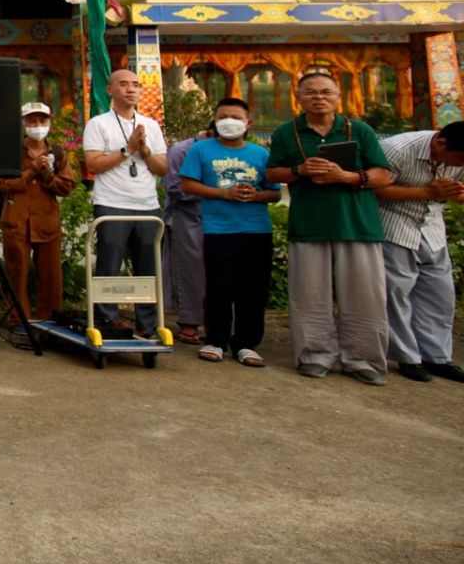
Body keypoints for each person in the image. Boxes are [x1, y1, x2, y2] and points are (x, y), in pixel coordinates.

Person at [267, 68, 395, 384]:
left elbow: (383, 174)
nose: (318, 98)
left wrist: (348, 177)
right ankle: (314, 355)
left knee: (365, 295)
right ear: (299, 97)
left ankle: (363, 359)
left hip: (357, 224)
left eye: (326, 92)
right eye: (311, 92)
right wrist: (300, 169)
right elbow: (272, 174)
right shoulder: (287, 132)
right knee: (309, 294)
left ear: (338, 97)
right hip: (310, 223)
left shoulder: (359, 130)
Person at [176, 98, 281, 367]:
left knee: (253, 288)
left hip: (256, 229)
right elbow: (187, 185)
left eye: (235, 116)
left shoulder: (260, 154)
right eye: (222, 116)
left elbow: (274, 193)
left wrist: (255, 196)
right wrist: (224, 193)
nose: (228, 121)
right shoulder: (201, 150)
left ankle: (247, 343)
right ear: (214, 120)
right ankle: (216, 339)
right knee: (218, 285)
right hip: (218, 228)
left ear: (248, 123)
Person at [81, 68, 169, 339]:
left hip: (147, 205)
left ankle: (148, 325)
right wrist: (127, 149)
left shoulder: (150, 125)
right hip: (112, 204)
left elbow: (162, 168)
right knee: (110, 264)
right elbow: (93, 164)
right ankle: (107, 320)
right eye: (124, 85)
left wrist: (144, 150)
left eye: (136, 85)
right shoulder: (99, 123)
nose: (131, 89)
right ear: (110, 90)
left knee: (148, 267)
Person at [374, 123, 464, 383]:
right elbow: (375, 188)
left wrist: (458, 194)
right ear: (441, 144)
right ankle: (407, 357)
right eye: (460, 159)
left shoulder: (458, 155)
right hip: (394, 226)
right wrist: (427, 192)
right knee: (396, 293)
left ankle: (436, 357)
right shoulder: (397, 149)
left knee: (440, 294)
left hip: (432, 229)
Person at [0, 102, 75, 325]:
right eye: (32, 121)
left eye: (42, 121)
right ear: (23, 124)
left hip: (47, 221)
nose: (37, 126)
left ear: (49, 123)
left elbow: (67, 187)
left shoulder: (57, 153)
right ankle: (18, 320)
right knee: (16, 273)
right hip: (16, 220)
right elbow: (4, 184)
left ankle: (50, 321)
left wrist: (47, 175)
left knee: (51, 276)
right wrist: (31, 170)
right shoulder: (11, 151)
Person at [162, 124, 211, 344]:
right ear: (209, 133)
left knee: (220, 273)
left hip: (222, 216)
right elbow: (173, 187)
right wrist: (214, 191)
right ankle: (189, 323)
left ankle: (218, 323)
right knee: (190, 271)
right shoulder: (181, 151)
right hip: (187, 216)